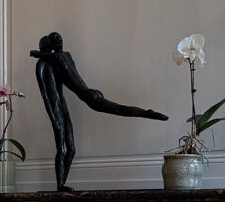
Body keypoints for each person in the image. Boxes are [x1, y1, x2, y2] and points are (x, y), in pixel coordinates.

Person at [30, 32, 167, 190]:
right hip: (84, 95)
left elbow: (47, 92)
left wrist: (35, 53)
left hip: (89, 97)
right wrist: (54, 116)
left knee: (119, 110)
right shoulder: (58, 60)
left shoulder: (58, 58)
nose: (60, 41)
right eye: (57, 39)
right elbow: (47, 94)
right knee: (70, 149)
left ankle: (146, 113)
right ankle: (61, 186)